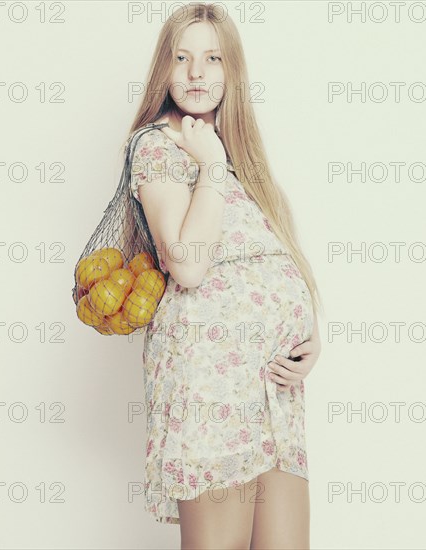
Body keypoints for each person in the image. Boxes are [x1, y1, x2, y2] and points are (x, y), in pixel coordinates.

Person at [123, 3, 323, 549]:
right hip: (210, 385)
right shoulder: (157, 147)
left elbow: (270, 257)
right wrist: (210, 165)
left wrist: (308, 337)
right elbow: (187, 263)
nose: (196, 73)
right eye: (182, 57)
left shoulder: (242, 153)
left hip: (273, 393)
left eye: (212, 59)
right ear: (163, 68)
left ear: (231, 70)